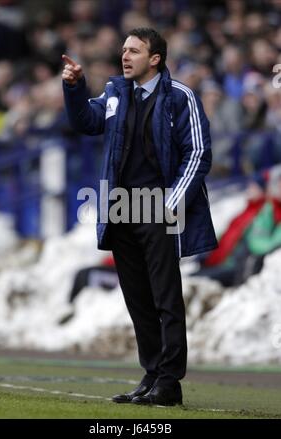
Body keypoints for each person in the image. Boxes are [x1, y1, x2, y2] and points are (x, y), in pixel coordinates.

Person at [62, 28, 217, 406]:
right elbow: (86, 122)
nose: (125, 56)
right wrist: (75, 87)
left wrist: (172, 203)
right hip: (121, 210)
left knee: (166, 298)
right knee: (137, 299)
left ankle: (169, 381)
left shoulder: (181, 96)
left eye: (134, 50)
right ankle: (151, 374)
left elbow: (198, 153)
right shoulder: (116, 92)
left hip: (160, 209)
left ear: (155, 59)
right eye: (123, 50)